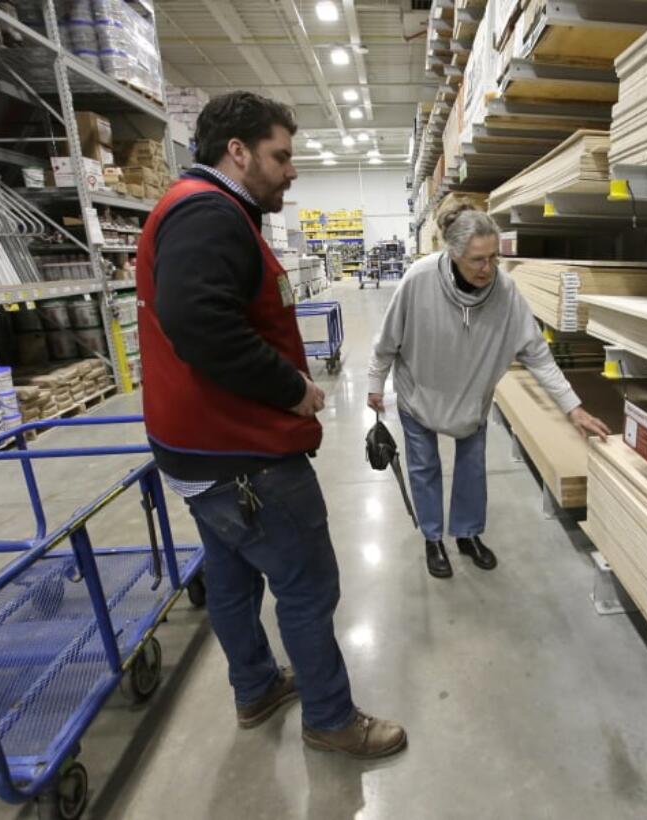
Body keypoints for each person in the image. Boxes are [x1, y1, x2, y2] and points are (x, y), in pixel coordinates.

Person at [136, 91, 404, 759]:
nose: (291, 170)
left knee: (230, 579)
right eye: (281, 156)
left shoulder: (207, 211)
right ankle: (331, 717)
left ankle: (256, 688)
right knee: (308, 587)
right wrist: (292, 391)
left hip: (200, 452)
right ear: (238, 151)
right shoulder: (208, 214)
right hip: (241, 455)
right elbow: (201, 324)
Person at [367, 205, 611, 579]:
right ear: (452, 253)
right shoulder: (418, 280)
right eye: (477, 260)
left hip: (471, 397)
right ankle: (433, 540)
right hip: (420, 392)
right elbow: (387, 341)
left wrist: (572, 408)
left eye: (494, 258)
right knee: (424, 468)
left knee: (471, 469)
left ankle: (467, 534)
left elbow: (537, 355)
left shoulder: (505, 293)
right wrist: (374, 384)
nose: (487, 269)